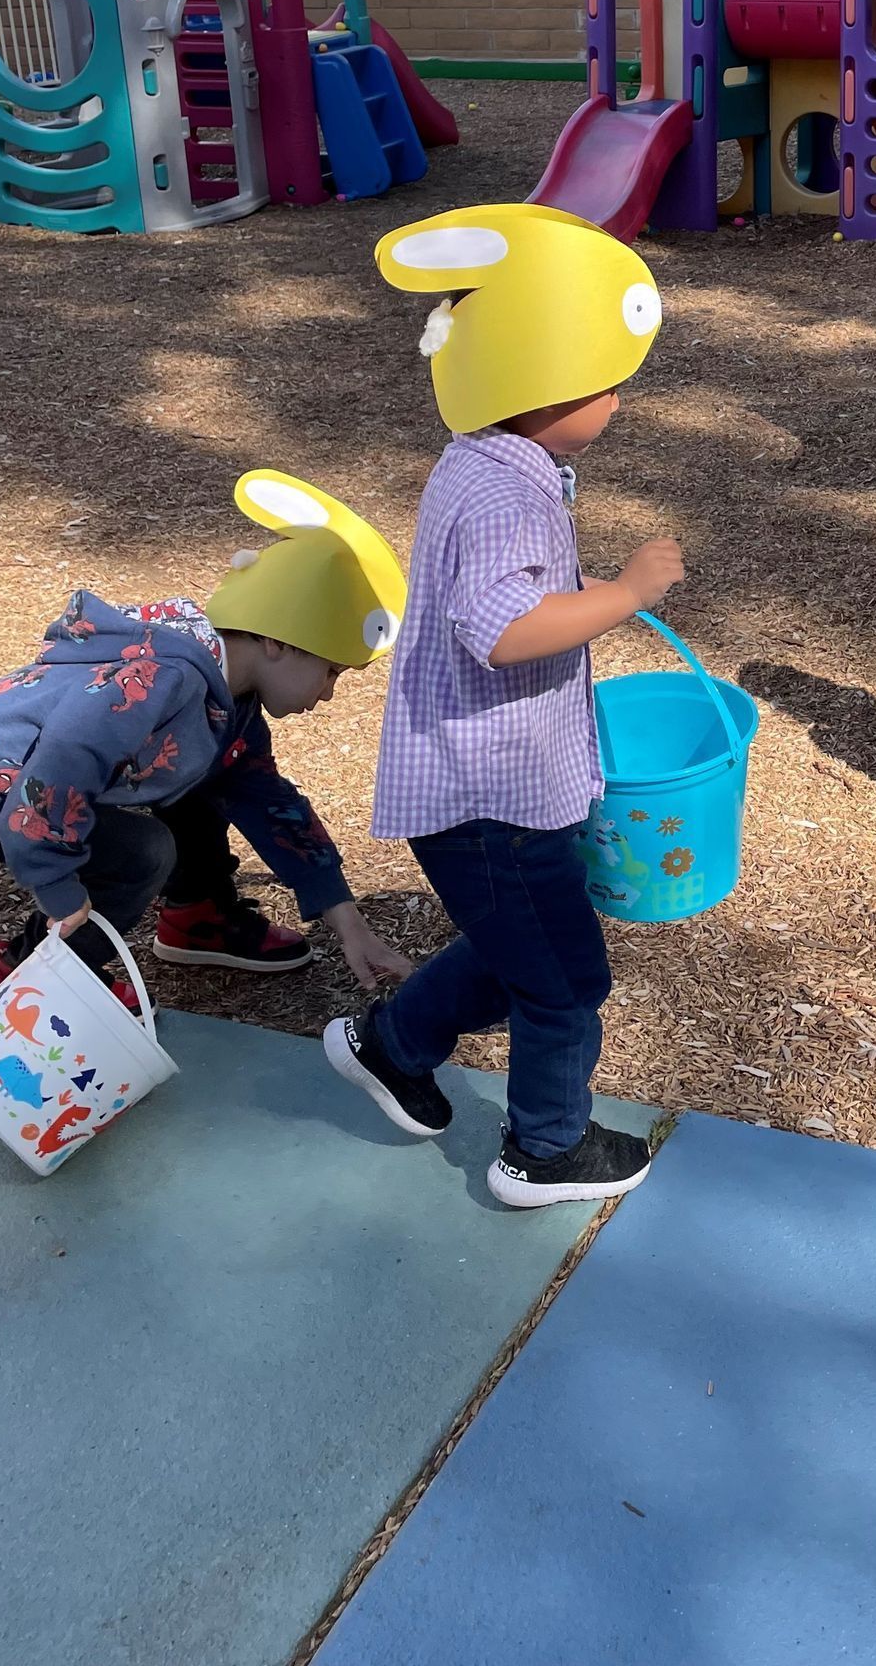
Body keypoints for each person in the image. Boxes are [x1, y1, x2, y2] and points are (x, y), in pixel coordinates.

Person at [324, 203, 681, 1209]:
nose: (618, 397)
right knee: (566, 986)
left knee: (514, 949)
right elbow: (502, 627)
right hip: (491, 802)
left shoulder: (498, 460)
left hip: (496, 786)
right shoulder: (503, 493)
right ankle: (545, 1150)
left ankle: (392, 1047)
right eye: (605, 380)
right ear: (540, 379)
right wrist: (627, 590)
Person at [0, 470, 413, 1006]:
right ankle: (32, 977)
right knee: (145, 853)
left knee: (213, 768)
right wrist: (58, 887)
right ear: (276, 641)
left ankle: (198, 911)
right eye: (332, 670)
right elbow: (66, 759)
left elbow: (270, 802)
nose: (329, 693)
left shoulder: (229, 702)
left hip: (22, 787)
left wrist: (348, 922)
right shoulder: (164, 679)